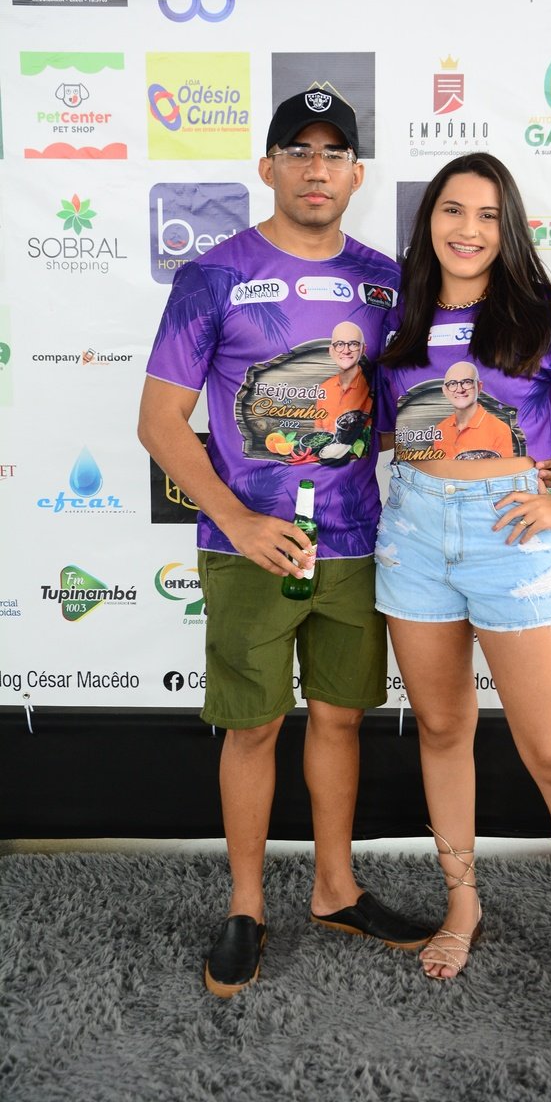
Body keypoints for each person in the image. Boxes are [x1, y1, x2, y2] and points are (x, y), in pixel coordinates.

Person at [138, 89, 435, 999]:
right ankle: (246, 906)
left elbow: (410, 408)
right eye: (298, 150)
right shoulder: (214, 276)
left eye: (334, 152)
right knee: (255, 724)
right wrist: (236, 519)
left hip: (356, 540)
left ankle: (336, 889)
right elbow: (159, 421)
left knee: (341, 717)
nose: (316, 168)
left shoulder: (388, 283)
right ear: (267, 167)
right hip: (249, 547)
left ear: (357, 173)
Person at [375, 153, 551, 1022]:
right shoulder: (400, 315)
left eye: (489, 215)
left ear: (511, 229)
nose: (468, 229)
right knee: (442, 728)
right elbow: (388, 430)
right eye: (452, 210)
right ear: (428, 221)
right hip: (414, 536)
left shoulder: (542, 311)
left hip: (511, 536)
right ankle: (462, 904)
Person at [433, 361, 514, 459]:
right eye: (452, 383)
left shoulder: (500, 430)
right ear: (445, 391)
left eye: (467, 382)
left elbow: (505, 468)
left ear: (479, 387)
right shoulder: (441, 429)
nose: (460, 389)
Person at [314, 321, 372, 434]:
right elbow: (318, 431)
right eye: (339, 344)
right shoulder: (325, 387)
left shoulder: (372, 387)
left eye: (353, 344)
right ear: (331, 351)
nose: (346, 351)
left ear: (363, 349)